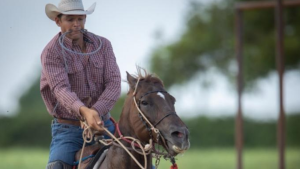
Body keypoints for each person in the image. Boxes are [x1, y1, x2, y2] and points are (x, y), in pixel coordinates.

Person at [40, 0, 121, 168]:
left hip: (104, 125)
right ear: (58, 21)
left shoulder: (103, 45)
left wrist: (95, 113)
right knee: (56, 166)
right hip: (68, 130)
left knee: (142, 160)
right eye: (70, 19)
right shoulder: (51, 53)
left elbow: (114, 83)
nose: (76, 24)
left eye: (80, 19)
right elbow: (61, 90)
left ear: (85, 18)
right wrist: (84, 112)